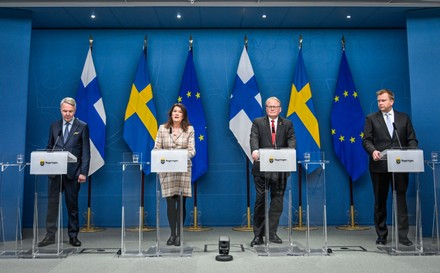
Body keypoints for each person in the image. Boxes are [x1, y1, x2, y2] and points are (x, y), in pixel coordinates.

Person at [363, 89, 418, 246]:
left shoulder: (403, 118)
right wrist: (373, 151)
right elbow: (366, 140)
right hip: (379, 166)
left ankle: (403, 236)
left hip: (400, 165)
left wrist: (411, 154)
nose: (380, 103)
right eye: (379, 101)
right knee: (380, 202)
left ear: (391, 101)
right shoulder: (371, 118)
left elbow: (412, 139)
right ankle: (382, 235)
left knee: (400, 200)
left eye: (383, 100)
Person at [38, 97, 90, 247]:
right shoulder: (54, 126)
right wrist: (46, 161)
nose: (67, 114)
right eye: (65, 111)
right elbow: (50, 147)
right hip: (55, 172)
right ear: (61, 110)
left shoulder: (82, 126)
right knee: (52, 205)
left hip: (73, 173)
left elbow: (86, 152)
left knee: (72, 205)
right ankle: (50, 235)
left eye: (70, 111)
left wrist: (83, 172)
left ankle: (73, 236)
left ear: (75, 111)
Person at [249, 97, 296, 247]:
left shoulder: (287, 123)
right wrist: (255, 151)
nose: (272, 109)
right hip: (261, 169)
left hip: (280, 169)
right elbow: (254, 138)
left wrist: (290, 151)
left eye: (275, 106)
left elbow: (292, 140)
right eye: (269, 106)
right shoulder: (258, 122)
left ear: (280, 108)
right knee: (260, 201)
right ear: (266, 108)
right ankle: (258, 235)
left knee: (277, 202)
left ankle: (272, 233)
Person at [154, 103, 195, 247]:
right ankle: (173, 234)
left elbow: (192, 151)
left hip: (183, 170)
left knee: (181, 202)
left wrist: (179, 155)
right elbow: (157, 149)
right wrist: (169, 156)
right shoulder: (162, 129)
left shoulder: (189, 129)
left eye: (179, 112)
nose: (176, 114)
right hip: (167, 171)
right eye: (174, 111)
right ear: (171, 114)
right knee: (170, 203)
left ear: (183, 115)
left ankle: (180, 234)